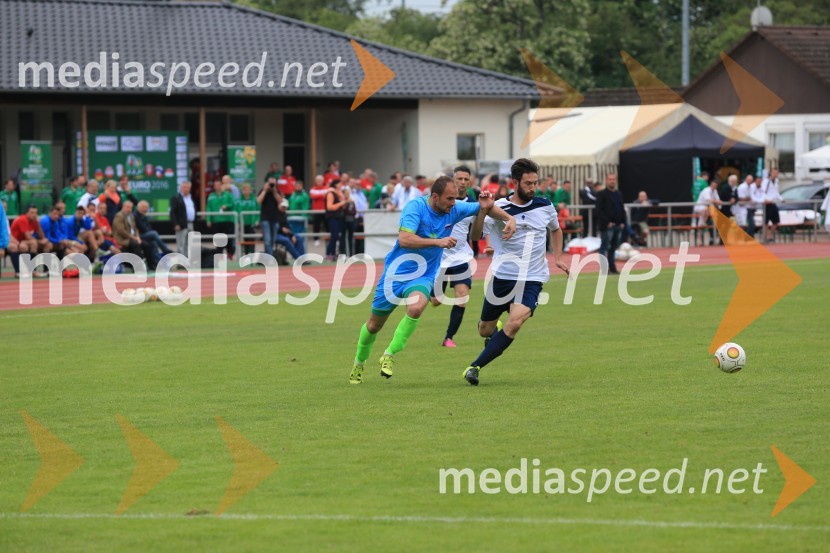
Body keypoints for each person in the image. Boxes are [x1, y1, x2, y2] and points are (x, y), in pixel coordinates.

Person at [348, 175, 516, 385]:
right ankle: (359, 363)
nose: (454, 204)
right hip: (395, 274)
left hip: (424, 274)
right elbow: (405, 239)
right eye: (449, 199)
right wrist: (438, 242)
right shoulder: (415, 208)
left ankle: (389, 354)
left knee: (416, 308)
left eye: (455, 199)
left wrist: (510, 218)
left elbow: (487, 206)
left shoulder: (454, 209)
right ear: (435, 197)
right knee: (374, 326)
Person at [462, 158, 569, 386]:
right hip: (503, 276)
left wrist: (558, 257)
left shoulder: (545, 205)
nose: (533, 188)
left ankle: (475, 367)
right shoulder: (499, 207)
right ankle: (493, 332)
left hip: (533, 278)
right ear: (515, 182)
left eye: (535, 183)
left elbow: (556, 230)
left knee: (516, 322)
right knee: (484, 330)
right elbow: (475, 236)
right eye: (528, 183)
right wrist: (482, 212)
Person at [429, 165, 477, 348]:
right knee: (436, 301)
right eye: (460, 179)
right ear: (453, 180)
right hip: (440, 258)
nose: (463, 182)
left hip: (461, 258)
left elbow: (481, 225)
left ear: (470, 182)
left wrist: (488, 244)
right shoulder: (442, 202)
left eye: (466, 179)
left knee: (462, 296)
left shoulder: (473, 204)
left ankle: (449, 337)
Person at [596, 173, 626, 273]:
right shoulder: (601, 194)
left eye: (613, 179)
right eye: (610, 179)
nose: (612, 181)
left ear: (615, 181)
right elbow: (599, 210)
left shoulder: (619, 193)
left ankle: (612, 268)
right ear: (606, 180)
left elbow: (621, 208)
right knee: (604, 247)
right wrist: (607, 222)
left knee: (613, 248)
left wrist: (623, 222)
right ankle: (604, 269)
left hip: (618, 225)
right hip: (607, 226)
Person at [113, 201, 154, 267]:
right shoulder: (119, 216)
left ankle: (151, 266)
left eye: (131, 208)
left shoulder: (131, 216)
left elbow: (135, 229)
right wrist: (134, 238)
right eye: (128, 207)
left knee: (146, 245)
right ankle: (138, 266)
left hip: (132, 238)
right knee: (136, 244)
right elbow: (121, 231)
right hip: (122, 239)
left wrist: (137, 237)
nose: (129, 209)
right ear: (123, 207)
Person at [206, 179, 236, 258]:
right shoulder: (211, 196)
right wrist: (208, 219)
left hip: (227, 220)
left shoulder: (227, 194)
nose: (217, 187)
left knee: (229, 239)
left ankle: (230, 253)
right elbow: (208, 208)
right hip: (216, 221)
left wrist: (226, 206)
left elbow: (233, 203)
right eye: (216, 185)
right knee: (218, 239)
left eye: (219, 185)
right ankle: (219, 255)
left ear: (221, 185)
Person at [257, 176, 283, 258]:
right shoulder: (263, 190)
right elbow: (259, 201)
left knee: (272, 240)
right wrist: (265, 190)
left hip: (275, 218)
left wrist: (274, 191)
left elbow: (280, 202)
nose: (271, 185)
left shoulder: (277, 191)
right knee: (267, 240)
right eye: (270, 183)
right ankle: (271, 258)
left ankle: (268, 257)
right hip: (265, 218)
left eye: (273, 183)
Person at [170, 181, 196, 255]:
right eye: (184, 187)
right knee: (180, 244)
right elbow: (172, 212)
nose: (186, 189)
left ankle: (186, 261)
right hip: (181, 224)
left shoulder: (191, 198)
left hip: (191, 223)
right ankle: (179, 262)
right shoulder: (176, 198)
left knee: (188, 244)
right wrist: (175, 224)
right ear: (181, 188)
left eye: (188, 187)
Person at [694, 179, 723, 245]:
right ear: (711, 185)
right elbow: (708, 200)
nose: (714, 186)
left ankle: (701, 240)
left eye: (715, 185)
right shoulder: (706, 190)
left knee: (701, 223)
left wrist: (717, 202)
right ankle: (704, 222)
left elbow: (717, 200)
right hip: (700, 207)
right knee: (705, 209)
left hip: (707, 211)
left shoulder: (715, 191)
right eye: (713, 185)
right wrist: (717, 202)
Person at [235, 184, 260, 255]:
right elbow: (236, 211)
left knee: (251, 240)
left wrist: (257, 220)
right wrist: (238, 222)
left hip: (252, 223)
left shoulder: (255, 200)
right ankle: (245, 255)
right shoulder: (238, 200)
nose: (246, 191)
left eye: (248, 189)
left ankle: (252, 254)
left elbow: (258, 211)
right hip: (242, 224)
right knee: (244, 240)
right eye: (244, 190)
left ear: (250, 191)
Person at [325, 179, 346, 259]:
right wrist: (341, 203)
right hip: (332, 217)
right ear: (335, 185)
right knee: (334, 236)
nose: (341, 185)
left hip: (338, 218)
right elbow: (329, 207)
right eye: (339, 183)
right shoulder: (331, 193)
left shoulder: (338, 193)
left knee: (336, 236)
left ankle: (333, 253)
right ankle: (329, 253)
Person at [287, 180, 310, 253]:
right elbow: (290, 205)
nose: (297, 187)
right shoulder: (293, 194)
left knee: (300, 237)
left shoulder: (304, 195)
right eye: (296, 186)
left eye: (299, 186)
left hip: (300, 220)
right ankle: (296, 253)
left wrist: (303, 217)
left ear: (302, 186)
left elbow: (305, 207)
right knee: (292, 237)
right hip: (292, 219)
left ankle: (301, 253)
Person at [761, 168, 783, 242]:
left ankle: (770, 235)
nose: (776, 174)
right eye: (774, 172)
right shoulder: (766, 181)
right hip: (767, 203)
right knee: (766, 221)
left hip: (773, 203)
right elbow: (763, 191)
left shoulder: (776, 181)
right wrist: (766, 199)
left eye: (777, 173)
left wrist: (781, 199)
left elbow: (776, 192)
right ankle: (766, 236)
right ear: (771, 173)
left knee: (776, 221)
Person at [309, 175, 329, 246]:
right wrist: (321, 195)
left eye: (320, 180)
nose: (319, 182)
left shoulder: (326, 188)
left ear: (323, 181)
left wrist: (319, 195)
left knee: (327, 225)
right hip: (316, 210)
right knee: (316, 225)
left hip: (325, 210)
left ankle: (328, 239)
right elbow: (312, 196)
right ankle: (316, 239)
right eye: (318, 180)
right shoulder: (313, 189)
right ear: (316, 181)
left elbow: (327, 196)